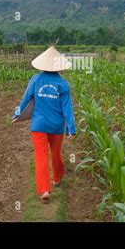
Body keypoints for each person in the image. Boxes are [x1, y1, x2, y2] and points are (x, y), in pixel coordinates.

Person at [12, 46, 76, 204]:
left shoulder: (35, 79)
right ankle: (57, 177)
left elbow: (25, 99)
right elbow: (67, 108)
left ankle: (44, 190)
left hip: (38, 125)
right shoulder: (63, 84)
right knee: (55, 153)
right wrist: (71, 130)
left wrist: (16, 114)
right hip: (57, 126)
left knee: (40, 156)